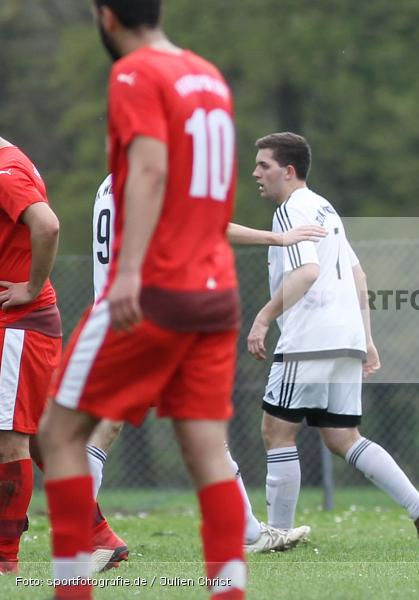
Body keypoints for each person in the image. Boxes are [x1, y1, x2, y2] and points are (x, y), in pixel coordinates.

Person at [38, 2, 246, 598]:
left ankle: (72, 589)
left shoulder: (134, 72)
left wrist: (128, 272)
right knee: (207, 452)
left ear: (106, 17)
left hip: (155, 288)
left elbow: (151, 170)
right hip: (215, 294)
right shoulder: (208, 76)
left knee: (58, 433)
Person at [88, 174, 324, 555]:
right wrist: (278, 238)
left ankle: (81, 529)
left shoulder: (110, 181)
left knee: (111, 426)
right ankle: (248, 534)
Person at [246, 132, 419, 547]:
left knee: (276, 432)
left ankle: (278, 534)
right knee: (343, 437)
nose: (256, 173)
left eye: (264, 165)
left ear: (288, 171)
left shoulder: (291, 210)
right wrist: (366, 339)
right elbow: (359, 275)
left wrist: (263, 317)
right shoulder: (325, 208)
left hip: (310, 338)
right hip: (346, 337)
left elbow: (306, 273)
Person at [0, 137, 62, 575]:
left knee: (9, 439)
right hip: (18, 323)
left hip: (19, 322)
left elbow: (48, 225)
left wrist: (32, 285)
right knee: (37, 438)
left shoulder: (5, 170)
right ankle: (97, 534)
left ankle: (4, 559)